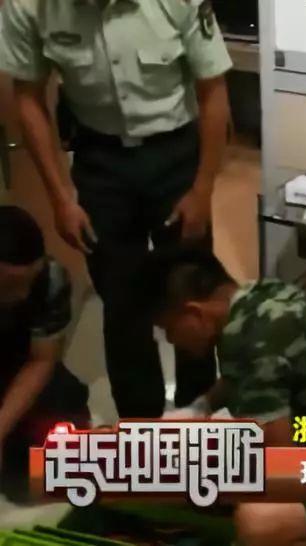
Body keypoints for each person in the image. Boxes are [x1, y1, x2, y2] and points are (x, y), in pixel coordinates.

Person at [0, 0, 233, 418]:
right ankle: (140, 427)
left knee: (191, 292)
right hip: (100, 161)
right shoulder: (31, 6)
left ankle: (198, 417)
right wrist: (61, 198)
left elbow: (213, 92)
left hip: (176, 154)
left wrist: (202, 189)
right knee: (122, 304)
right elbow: (28, 98)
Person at [144, 247, 306, 546]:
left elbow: (281, 462)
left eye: (168, 329)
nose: (171, 340)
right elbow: (244, 378)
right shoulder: (259, 296)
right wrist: (199, 409)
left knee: (257, 522)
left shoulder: (248, 340)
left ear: (195, 313)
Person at [0, 206, 89, 503]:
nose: (23, 295)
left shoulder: (52, 279)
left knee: (67, 400)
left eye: (30, 281)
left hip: (20, 365)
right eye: (10, 285)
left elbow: (41, 360)